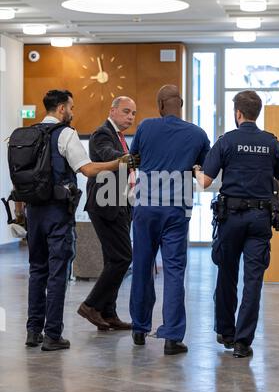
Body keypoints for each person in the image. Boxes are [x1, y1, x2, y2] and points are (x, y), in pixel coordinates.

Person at [25, 89, 136, 351]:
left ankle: (33, 332)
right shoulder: (65, 134)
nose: (73, 112)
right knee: (58, 273)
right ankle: (52, 334)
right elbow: (86, 169)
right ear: (62, 109)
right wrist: (122, 162)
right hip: (56, 212)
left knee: (37, 270)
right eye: (71, 108)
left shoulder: (28, 134)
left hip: (34, 211)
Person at [198, 90, 279, 358]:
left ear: (237, 113)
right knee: (253, 280)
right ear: (256, 113)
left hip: (231, 219)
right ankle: (242, 342)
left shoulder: (226, 141)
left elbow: (205, 181)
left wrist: (196, 171)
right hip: (260, 220)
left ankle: (226, 332)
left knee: (227, 274)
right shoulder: (271, 143)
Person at [129, 85, 210, 355]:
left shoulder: (145, 126)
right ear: (182, 104)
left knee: (142, 266)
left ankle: (139, 329)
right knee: (174, 272)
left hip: (145, 207)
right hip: (177, 209)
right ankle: (172, 338)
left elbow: (135, 159)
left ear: (161, 105)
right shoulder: (198, 134)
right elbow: (204, 167)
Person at [78, 96, 137, 331]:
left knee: (112, 260)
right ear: (112, 111)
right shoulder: (102, 133)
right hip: (105, 205)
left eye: (133, 113)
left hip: (119, 204)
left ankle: (108, 312)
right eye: (126, 112)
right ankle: (90, 305)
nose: (130, 117)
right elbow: (108, 155)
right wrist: (132, 158)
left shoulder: (121, 137)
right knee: (123, 257)